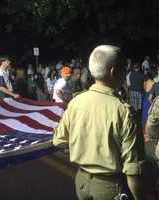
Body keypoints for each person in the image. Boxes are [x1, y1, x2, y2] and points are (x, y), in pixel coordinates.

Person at [53, 45, 145, 200]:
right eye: (124, 68)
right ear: (113, 72)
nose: (125, 73)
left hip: (81, 182)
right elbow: (132, 171)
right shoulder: (124, 111)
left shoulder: (76, 102)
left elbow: (59, 140)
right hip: (110, 188)